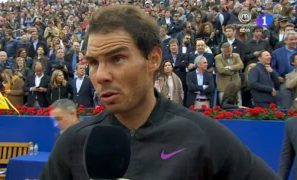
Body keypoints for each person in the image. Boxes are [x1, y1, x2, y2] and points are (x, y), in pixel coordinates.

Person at [39, 5, 281, 180]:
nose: (101, 75)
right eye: (93, 63)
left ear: (153, 58)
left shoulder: (202, 136)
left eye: (117, 58)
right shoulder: (73, 142)